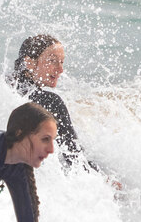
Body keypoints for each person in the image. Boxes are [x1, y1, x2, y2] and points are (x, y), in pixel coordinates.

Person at [8, 34, 101, 171]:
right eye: (53, 61)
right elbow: (73, 157)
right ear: (30, 63)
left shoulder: (5, 90)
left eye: (62, 62)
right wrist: (103, 181)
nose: (60, 69)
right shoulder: (50, 102)